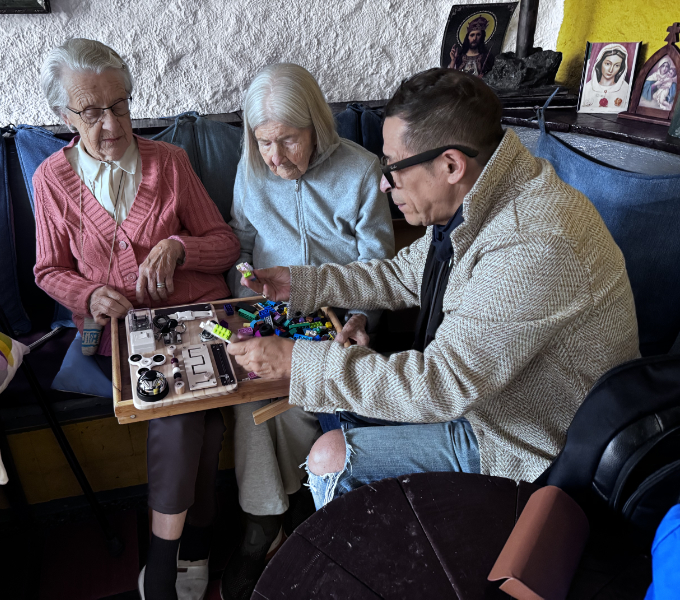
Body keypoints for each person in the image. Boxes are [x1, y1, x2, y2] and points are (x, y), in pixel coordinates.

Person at [226, 68, 640, 511]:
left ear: (450, 165)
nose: (385, 183)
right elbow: (401, 274)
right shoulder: (487, 198)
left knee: (331, 457)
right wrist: (301, 282)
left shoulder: (533, 243)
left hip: (523, 442)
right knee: (336, 405)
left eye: (393, 167)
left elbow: (440, 386)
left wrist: (296, 360)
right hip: (484, 400)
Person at [33, 38, 240, 600]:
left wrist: (178, 246)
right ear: (63, 116)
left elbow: (224, 244)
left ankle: (169, 557)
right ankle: (183, 552)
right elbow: (47, 270)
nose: (111, 123)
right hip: (121, 335)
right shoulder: (52, 180)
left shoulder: (170, 163)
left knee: (202, 414)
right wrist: (91, 293)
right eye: (92, 112)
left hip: (200, 320)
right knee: (183, 413)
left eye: (120, 105)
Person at [222, 63, 394, 600]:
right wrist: (245, 281)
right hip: (271, 310)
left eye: (288, 141)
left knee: (298, 389)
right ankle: (268, 518)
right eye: (264, 142)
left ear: (317, 126)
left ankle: (288, 519)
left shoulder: (362, 171)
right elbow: (241, 242)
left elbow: (381, 266)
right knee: (248, 395)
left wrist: (364, 317)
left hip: (341, 320)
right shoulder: (252, 169)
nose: (274, 157)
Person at [580, 43, 631, 112]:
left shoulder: (626, 89)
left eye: (616, 65)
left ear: (621, 68)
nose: (611, 70)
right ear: (600, 63)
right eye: (607, 64)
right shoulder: (587, 88)